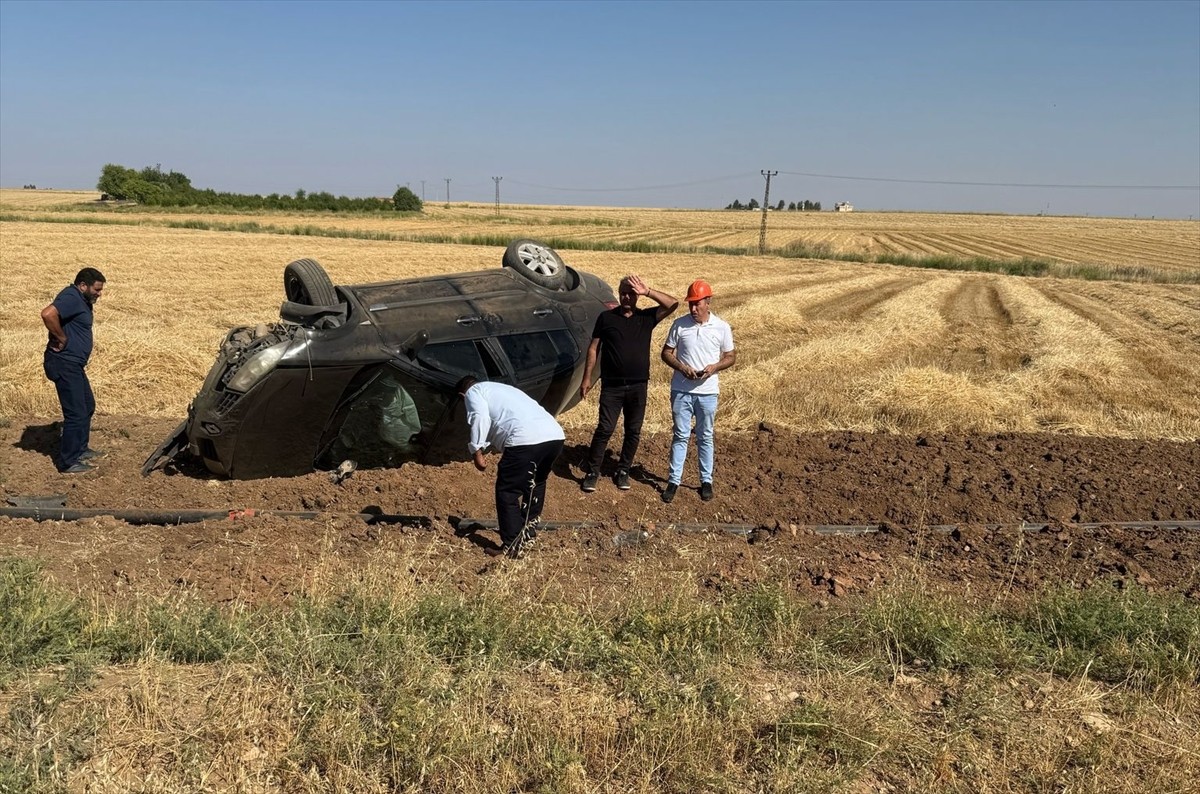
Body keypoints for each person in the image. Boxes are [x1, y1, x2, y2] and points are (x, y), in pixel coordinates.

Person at [579, 274, 678, 492]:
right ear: (618, 293)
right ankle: (592, 471)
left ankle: (623, 470)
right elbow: (594, 348)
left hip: (638, 386)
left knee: (633, 431)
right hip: (612, 386)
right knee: (605, 428)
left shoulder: (646, 318)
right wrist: (586, 378)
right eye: (623, 292)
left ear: (637, 296)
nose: (626, 297)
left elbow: (673, 304)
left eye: (631, 293)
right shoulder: (606, 318)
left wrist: (648, 291)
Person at [457, 376, 565, 558]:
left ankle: (512, 546)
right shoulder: (501, 389)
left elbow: (480, 416)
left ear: (462, 394)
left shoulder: (473, 392)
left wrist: (476, 450)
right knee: (536, 484)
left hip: (525, 440)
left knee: (507, 491)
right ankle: (528, 534)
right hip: (554, 436)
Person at [659, 279, 736, 503]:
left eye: (697, 303)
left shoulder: (721, 327)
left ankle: (706, 481)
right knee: (680, 435)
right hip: (681, 391)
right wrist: (682, 368)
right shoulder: (679, 325)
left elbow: (731, 356)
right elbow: (666, 353)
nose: (693, 308)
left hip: (708, 392)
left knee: (705, 436)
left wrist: (715, 367)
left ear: (708, 302)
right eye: (690, 304)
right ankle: (673, 481)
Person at [41, 267, 106, 473]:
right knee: (76, 413)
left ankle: (80, 449)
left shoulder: (81, 299)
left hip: (74, 364)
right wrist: (61, 338)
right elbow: (48, 314)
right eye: (96, 289)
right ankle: (68, 462)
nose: (99, 294)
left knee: (87, 406)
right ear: (83, 285)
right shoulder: (71, 297)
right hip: (64, 363)